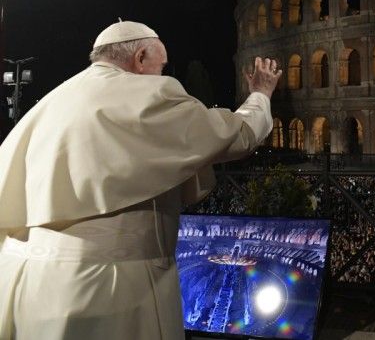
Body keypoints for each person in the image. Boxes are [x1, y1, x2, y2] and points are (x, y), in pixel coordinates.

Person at [0, 20, 282, 340]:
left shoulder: (53, 100)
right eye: (161, 66)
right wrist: (260, 95)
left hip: (24, 280)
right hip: (110, 287)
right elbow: (236, 135)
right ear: (141, 57)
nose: (162, 74)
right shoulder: (151, 93)